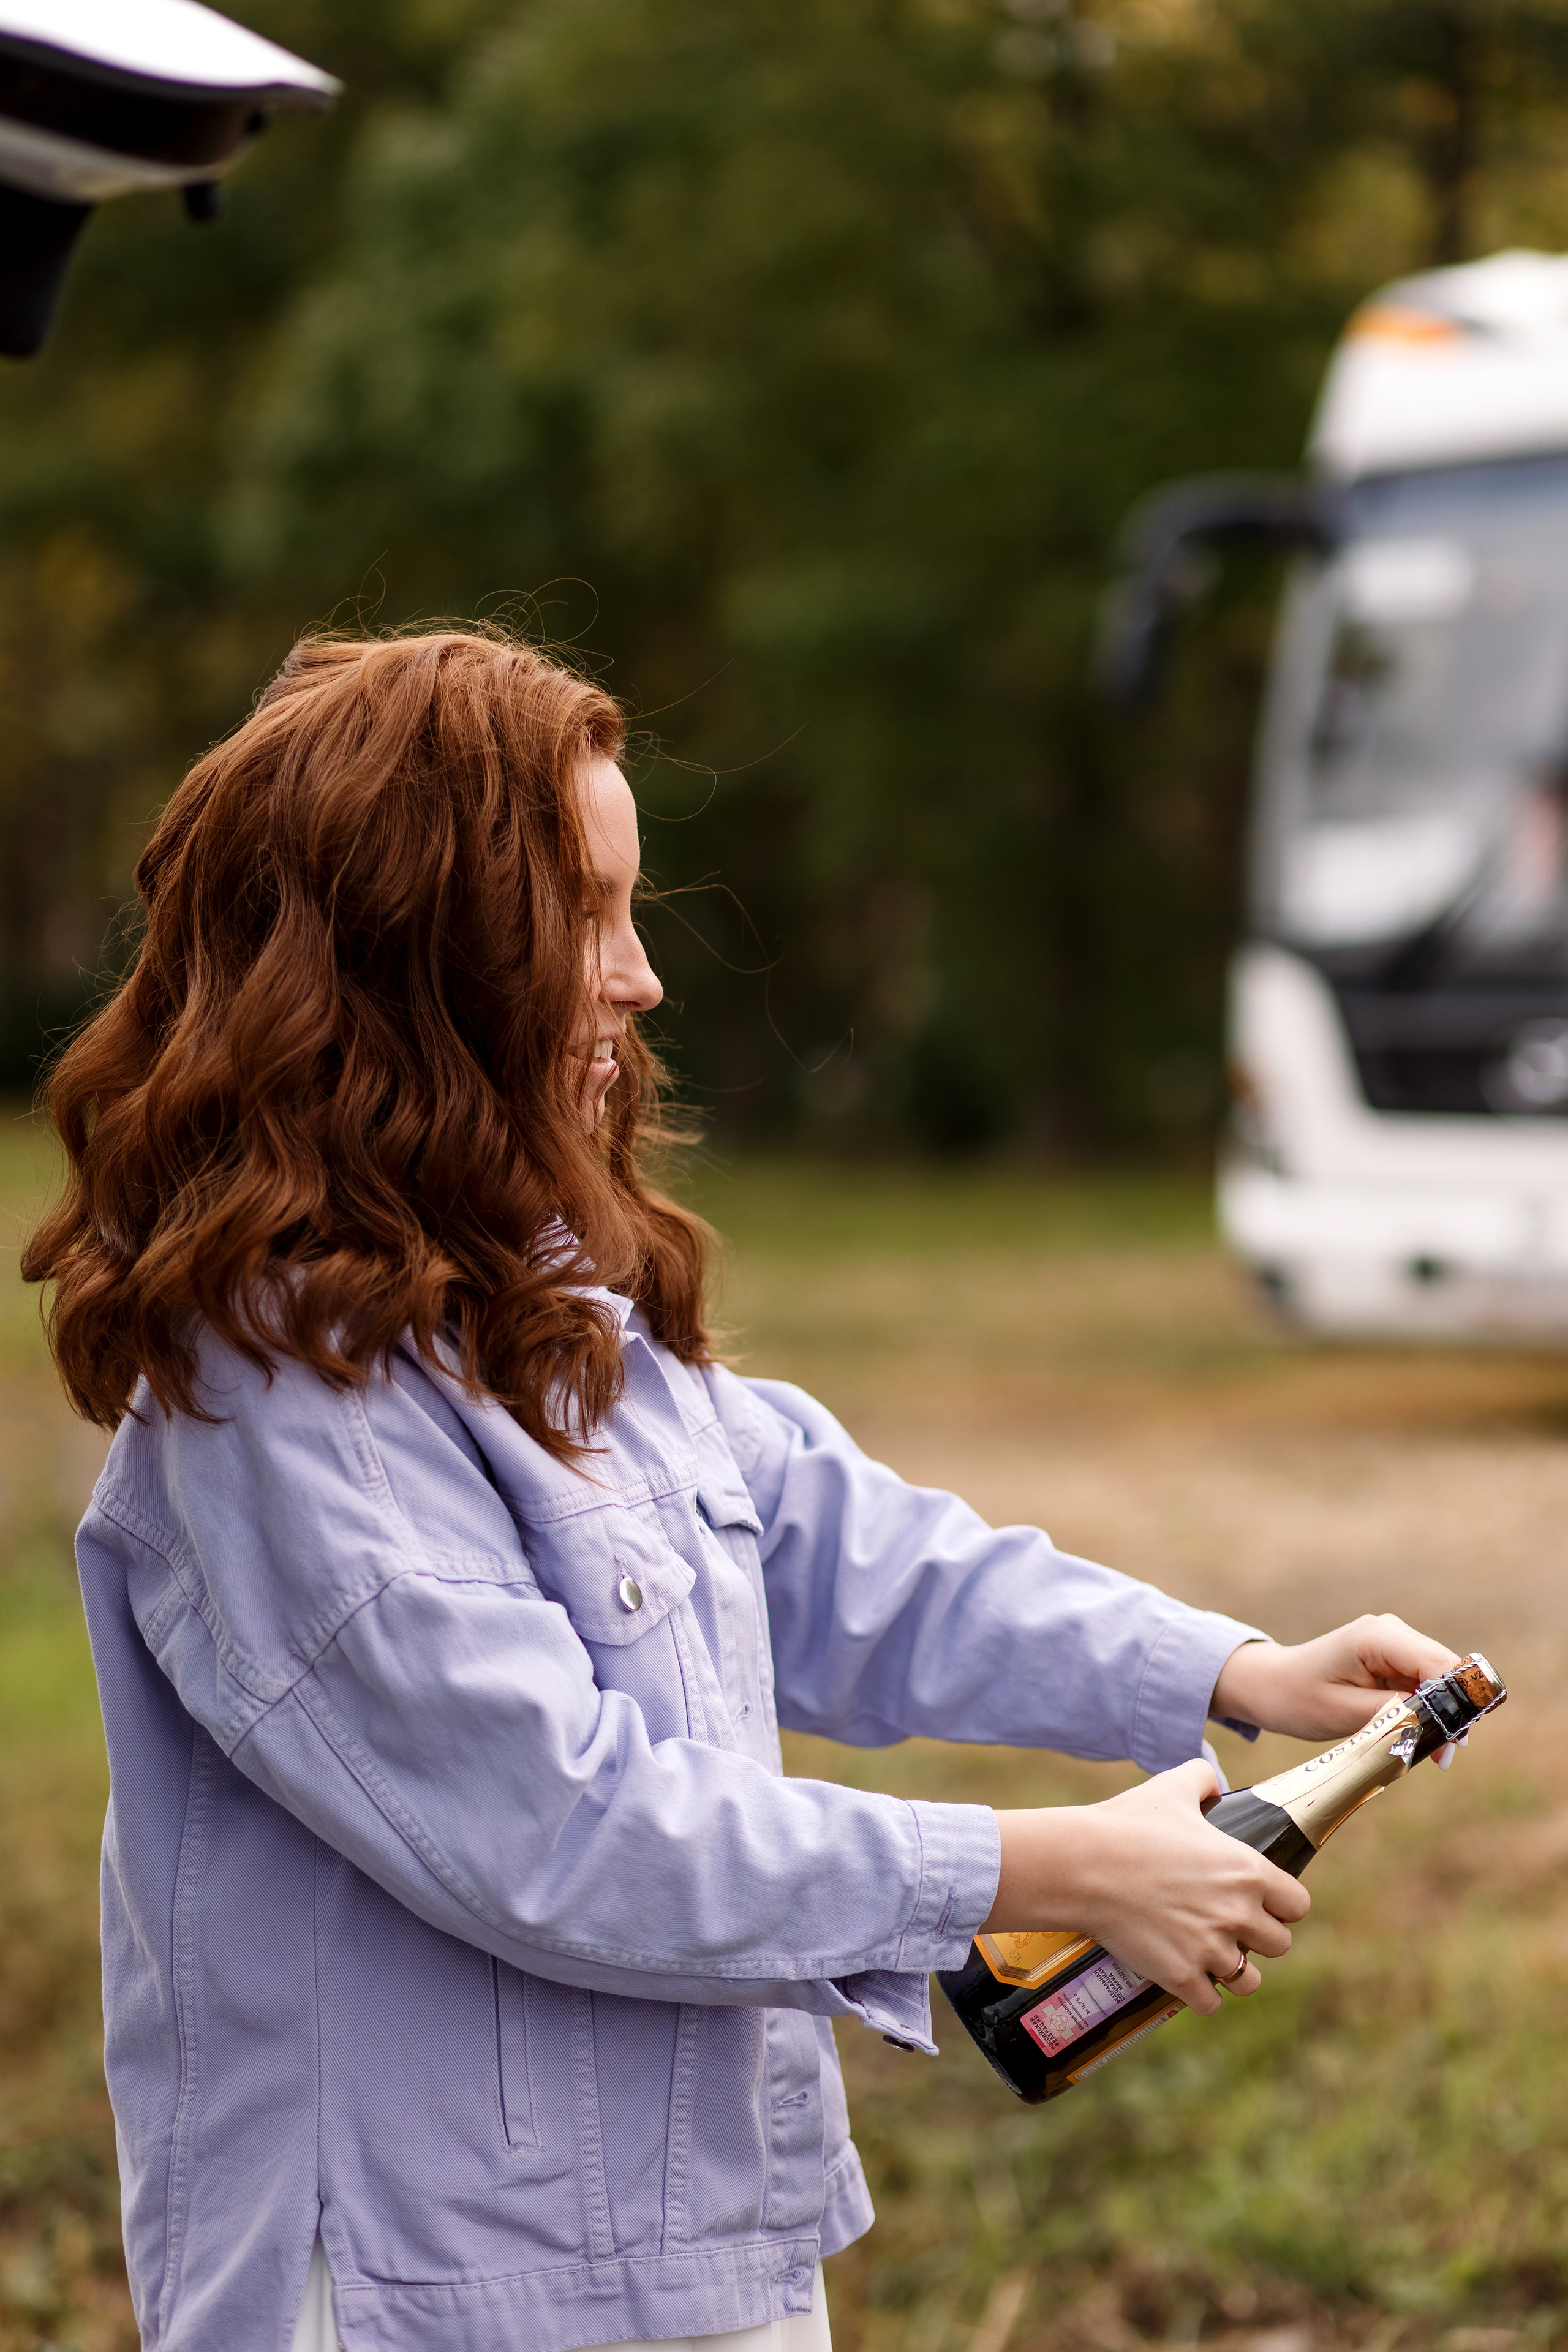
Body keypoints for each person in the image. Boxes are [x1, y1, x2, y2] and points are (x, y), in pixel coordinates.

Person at [23, 626, 1461, 2352]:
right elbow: (563, 1834)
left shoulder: (550, 1301)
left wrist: (1232, 1672)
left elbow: (860, 1562)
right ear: (420, 957)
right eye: (586, 916)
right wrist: (1044, 1866)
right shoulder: (270, 1408)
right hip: (420, 2294)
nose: (639, 980)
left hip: (688, 2255)